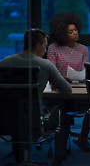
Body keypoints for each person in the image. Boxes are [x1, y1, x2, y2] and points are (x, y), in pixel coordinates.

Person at [0, 28, 72, 166]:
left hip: (5, 120)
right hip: (35, 122)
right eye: (45, 46)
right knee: (63, 116)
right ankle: (57, 161)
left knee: (18, 115)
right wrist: (53, 80)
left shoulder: (5, 62)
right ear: (38, 46)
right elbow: (67, 91)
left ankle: (20, 160)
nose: (45, 50)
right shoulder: (45, 64)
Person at [47, 12, 90, 153]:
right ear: (62, 34)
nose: (75, 33)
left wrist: (78, 77)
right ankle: (60, 142)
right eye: (70, 32)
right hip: (59, 89)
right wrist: (61, 78)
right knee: (62, 113)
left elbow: (86, 70)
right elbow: (50, 70)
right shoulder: (53, 48)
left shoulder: (83, 49)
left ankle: (82, 138)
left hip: (78, 87)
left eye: (76, 30)